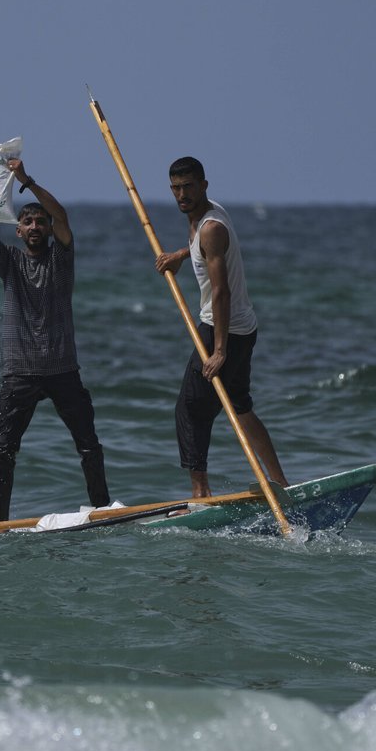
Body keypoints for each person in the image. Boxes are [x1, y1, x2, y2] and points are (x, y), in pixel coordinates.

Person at [0, 158, 110, 521]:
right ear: (18, 230)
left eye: (39, 222)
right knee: (4, 451)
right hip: (20, 373)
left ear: (47, 229)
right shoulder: (10, 262)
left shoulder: (61, 258)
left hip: (63, 370)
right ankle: (1, 522)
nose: (34, 226)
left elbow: (62, 216)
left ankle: (104, 511)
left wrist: (25, 180)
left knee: (89, 446)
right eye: (27, 222)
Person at [154, 156, 287, 499]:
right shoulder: (206, 217)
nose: (181, 194)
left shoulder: (211, 227)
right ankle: (280, 482)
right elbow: (205, 249)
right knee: (240, 406)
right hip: (245, 328)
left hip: (221, 328)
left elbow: (221, 291)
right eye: (176, 188)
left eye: (188, 187)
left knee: (189, 409)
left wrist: (219, 351)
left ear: (204, 186)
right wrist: (181, 255)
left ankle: (201, 492)